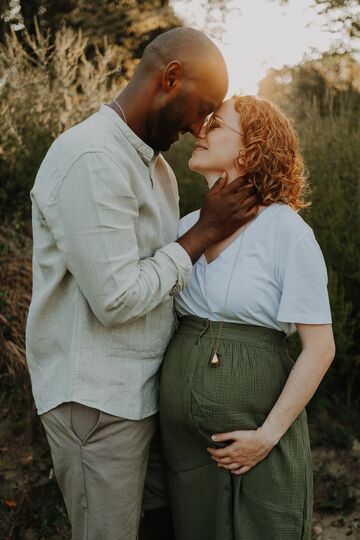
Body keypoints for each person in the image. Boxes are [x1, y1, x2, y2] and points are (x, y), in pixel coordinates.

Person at [25, 28, 257, 540]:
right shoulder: (91, 157)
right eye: (202, 108)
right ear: (170, 78)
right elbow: (117, 297)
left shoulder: (158, 169)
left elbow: (166, 285)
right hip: (97, 406)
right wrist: (204, 232)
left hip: (145, 396)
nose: (202, 127)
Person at [160, 95, 336, 540]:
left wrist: (267, 436)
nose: (200, 131)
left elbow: (320, 348)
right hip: (186, 449)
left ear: (249, 149)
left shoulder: (286, 231)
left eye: (216, 124)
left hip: (259, 442)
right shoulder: (185, 229)